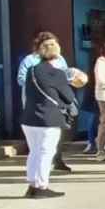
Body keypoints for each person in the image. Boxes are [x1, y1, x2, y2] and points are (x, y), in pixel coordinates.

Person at [23, 36, 80, 198]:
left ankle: (32, 184)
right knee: (46, 152)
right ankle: (42, 186)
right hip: (48, 118)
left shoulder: (31, 70)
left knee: (34, 151)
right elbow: (68, 98)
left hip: (29, 117)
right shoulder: (57, 73)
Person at [16, 31, 74, 174]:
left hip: (57, 104)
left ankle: (56, 161)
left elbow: (66, 77)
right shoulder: (29, 61)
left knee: (49, 143)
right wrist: (46, 83)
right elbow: (21, 79)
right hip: (36, 104)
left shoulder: (60, 60)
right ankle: (41, 183)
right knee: (42, 148)